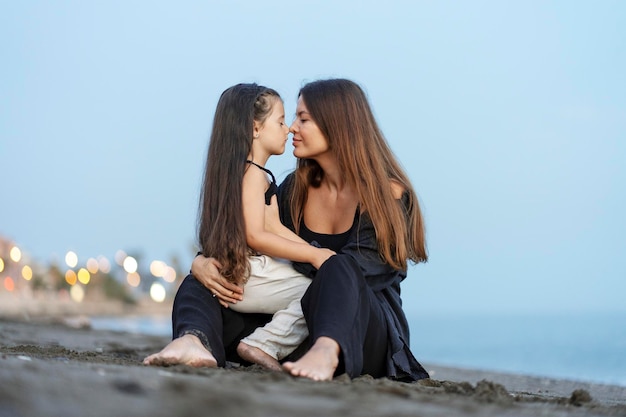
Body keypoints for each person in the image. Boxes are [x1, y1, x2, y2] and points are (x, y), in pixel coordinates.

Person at [145, 78, 430, 383]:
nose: (292, 127)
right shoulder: (295, 190)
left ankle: (325, 351)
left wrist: (315, 257)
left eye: (303, 119)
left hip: (359, 334)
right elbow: (251, 234)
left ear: (338, 124)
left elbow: (361, 273)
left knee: (339, 266)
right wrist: (202, 261)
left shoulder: (389, 196)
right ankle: (194, 340)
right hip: (292, 332)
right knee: (204, 281)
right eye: (291, 118)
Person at [143, 83, 334, 371]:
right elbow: (256, 235)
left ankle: (214, 342)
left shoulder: (242, 173)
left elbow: (266, 229)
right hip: (250, 275)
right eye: (281, 122)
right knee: (314, 290)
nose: (288, 129)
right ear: (255, 128)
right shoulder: (254, 175)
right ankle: (264, 343)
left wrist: (309, 250)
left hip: (245, 275)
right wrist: (313, 255)